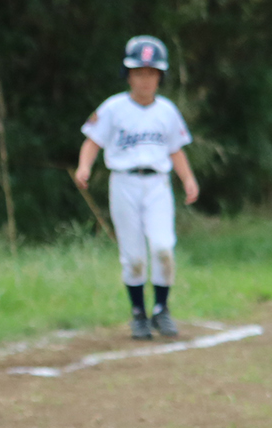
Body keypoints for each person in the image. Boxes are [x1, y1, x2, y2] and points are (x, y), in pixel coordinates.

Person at [73, 35, 200, 340]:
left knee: (163, 247)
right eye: (139, 73)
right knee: (133, 256)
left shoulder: (166, 110)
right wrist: (84, 166)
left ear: (160, 77)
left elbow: (175, 149)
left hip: (157, 184)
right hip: (124, 183)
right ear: (128, 75)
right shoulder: (114, 108)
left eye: (151, 73)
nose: (145, 80)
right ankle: (139, 314)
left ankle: (161, 309)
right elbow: (92, 141)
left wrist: (188, 179)